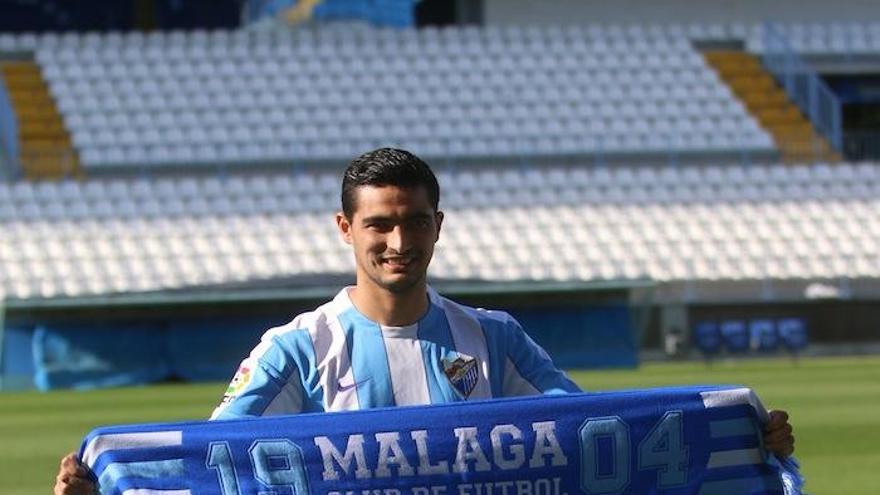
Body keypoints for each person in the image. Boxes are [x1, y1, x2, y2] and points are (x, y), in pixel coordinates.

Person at [54, 148, 795, 494]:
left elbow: (599, 433)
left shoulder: (495, 336)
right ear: (345, 228)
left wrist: (731, 437)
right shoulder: (295, 348)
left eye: (414, 222)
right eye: (380, 224)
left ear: (438, 225)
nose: (398, 241)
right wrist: (111, 484)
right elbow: (219, 465)